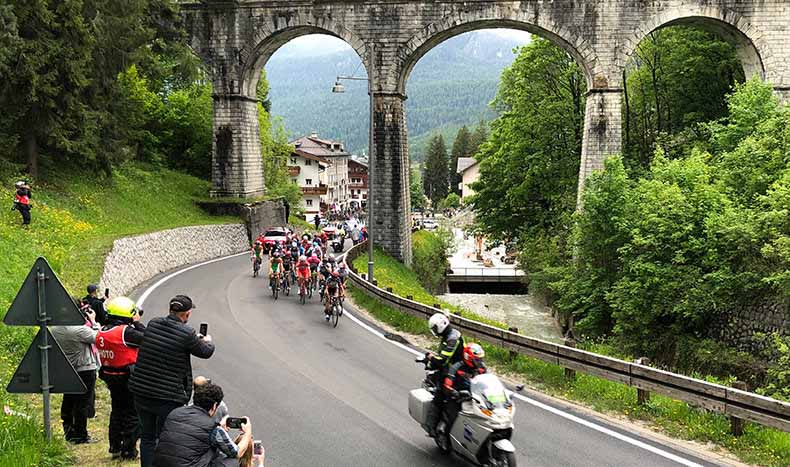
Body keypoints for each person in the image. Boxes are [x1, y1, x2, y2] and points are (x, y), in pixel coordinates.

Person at [129, 295, 215, 467]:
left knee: (147, 437)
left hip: (141, 391)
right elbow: (205, 352)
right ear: (187, 314)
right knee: (166, 437)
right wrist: (207, 341)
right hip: (168, 396)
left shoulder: (153, 323)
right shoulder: (187, 333)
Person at [152, 382, 253, 467]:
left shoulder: (175, 413)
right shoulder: (213, 428)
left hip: (160, 464)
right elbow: (237, 452)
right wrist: (248, 432)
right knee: (233, 462)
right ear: (214, 406)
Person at [96, 296, 146, 460]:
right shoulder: (125, 332)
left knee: (117, 411)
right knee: (133, 413)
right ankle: (129, 450)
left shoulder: (102, 331)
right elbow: (146, 337)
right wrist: (137, 321)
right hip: (128, 376)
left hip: (110, 376)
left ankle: (115, 446)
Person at [51, 299, 100, 444]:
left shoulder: (56, 329)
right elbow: (99, 338)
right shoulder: (80, 330)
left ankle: (69, 432)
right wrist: (93, 321)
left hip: (67, 369)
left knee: (68, 401)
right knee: (82, 404)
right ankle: (81, 435)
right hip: (84, 369)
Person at [424, 312, 465, 437]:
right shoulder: (451, 334)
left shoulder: (452, 339)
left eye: (435, 328)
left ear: (441, 325)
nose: (435, 331)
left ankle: (431, 425)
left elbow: (442, 360)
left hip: (453, 373)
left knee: (439, 395)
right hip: (459, 370)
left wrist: (430, 358)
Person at [442, 343, 487, 429]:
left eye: (481, 359)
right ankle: (444, 433)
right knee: (452, 417)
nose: (480, 362)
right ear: (468, 357)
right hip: (457, 397)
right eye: (477, 360)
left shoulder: (482, 368)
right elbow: (447, 384)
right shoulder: (456, 367)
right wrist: (453, 391)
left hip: (475, 397)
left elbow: (488, 380)